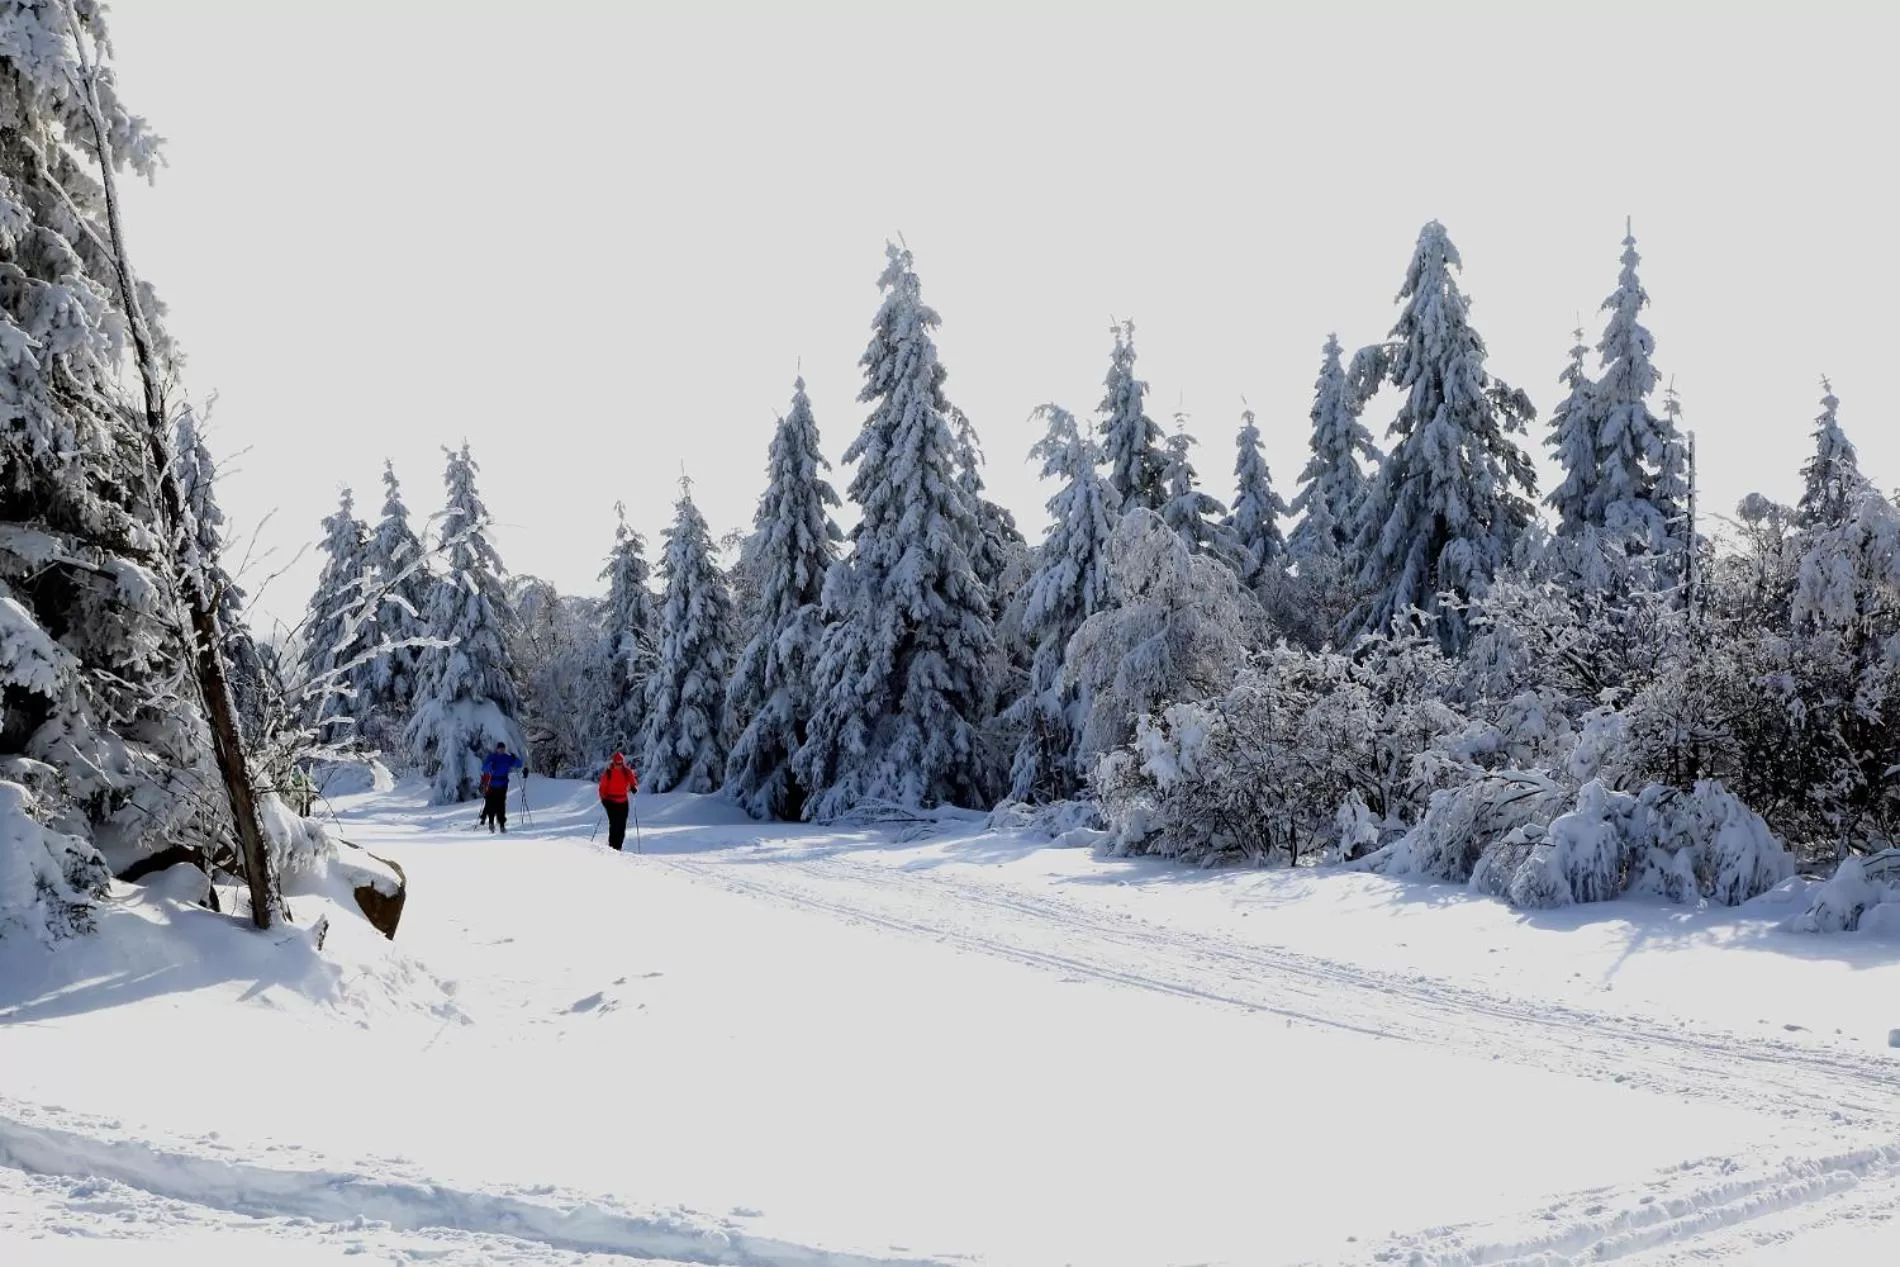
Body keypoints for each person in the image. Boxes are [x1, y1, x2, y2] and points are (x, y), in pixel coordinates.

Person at [479, 742, 524, 833]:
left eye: (503, 749)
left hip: (503, 785)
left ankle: (502, 825)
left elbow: (519, 765)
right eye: (500, 749)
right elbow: (483, 768)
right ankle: (491, 824)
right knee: (491, 804)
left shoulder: (507, 758)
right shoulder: (492, 757)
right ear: (497, 749)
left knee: (501, 805)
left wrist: (515, 758)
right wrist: (490, 765)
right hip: (492, 785)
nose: (501, 750)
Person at [597, 752, 638, 851]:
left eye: (620, 763)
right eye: (617, 763)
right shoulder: (608, 773)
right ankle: (612, 847)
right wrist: (604, 800)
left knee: (622, 825)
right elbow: (602, 788)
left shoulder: (626, 771)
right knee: (614, 824)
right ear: (614, 762)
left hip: (623, 801)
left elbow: (632, 780)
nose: (619, 766)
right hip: (611, 801)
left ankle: (618, 846)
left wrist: (633, 787)